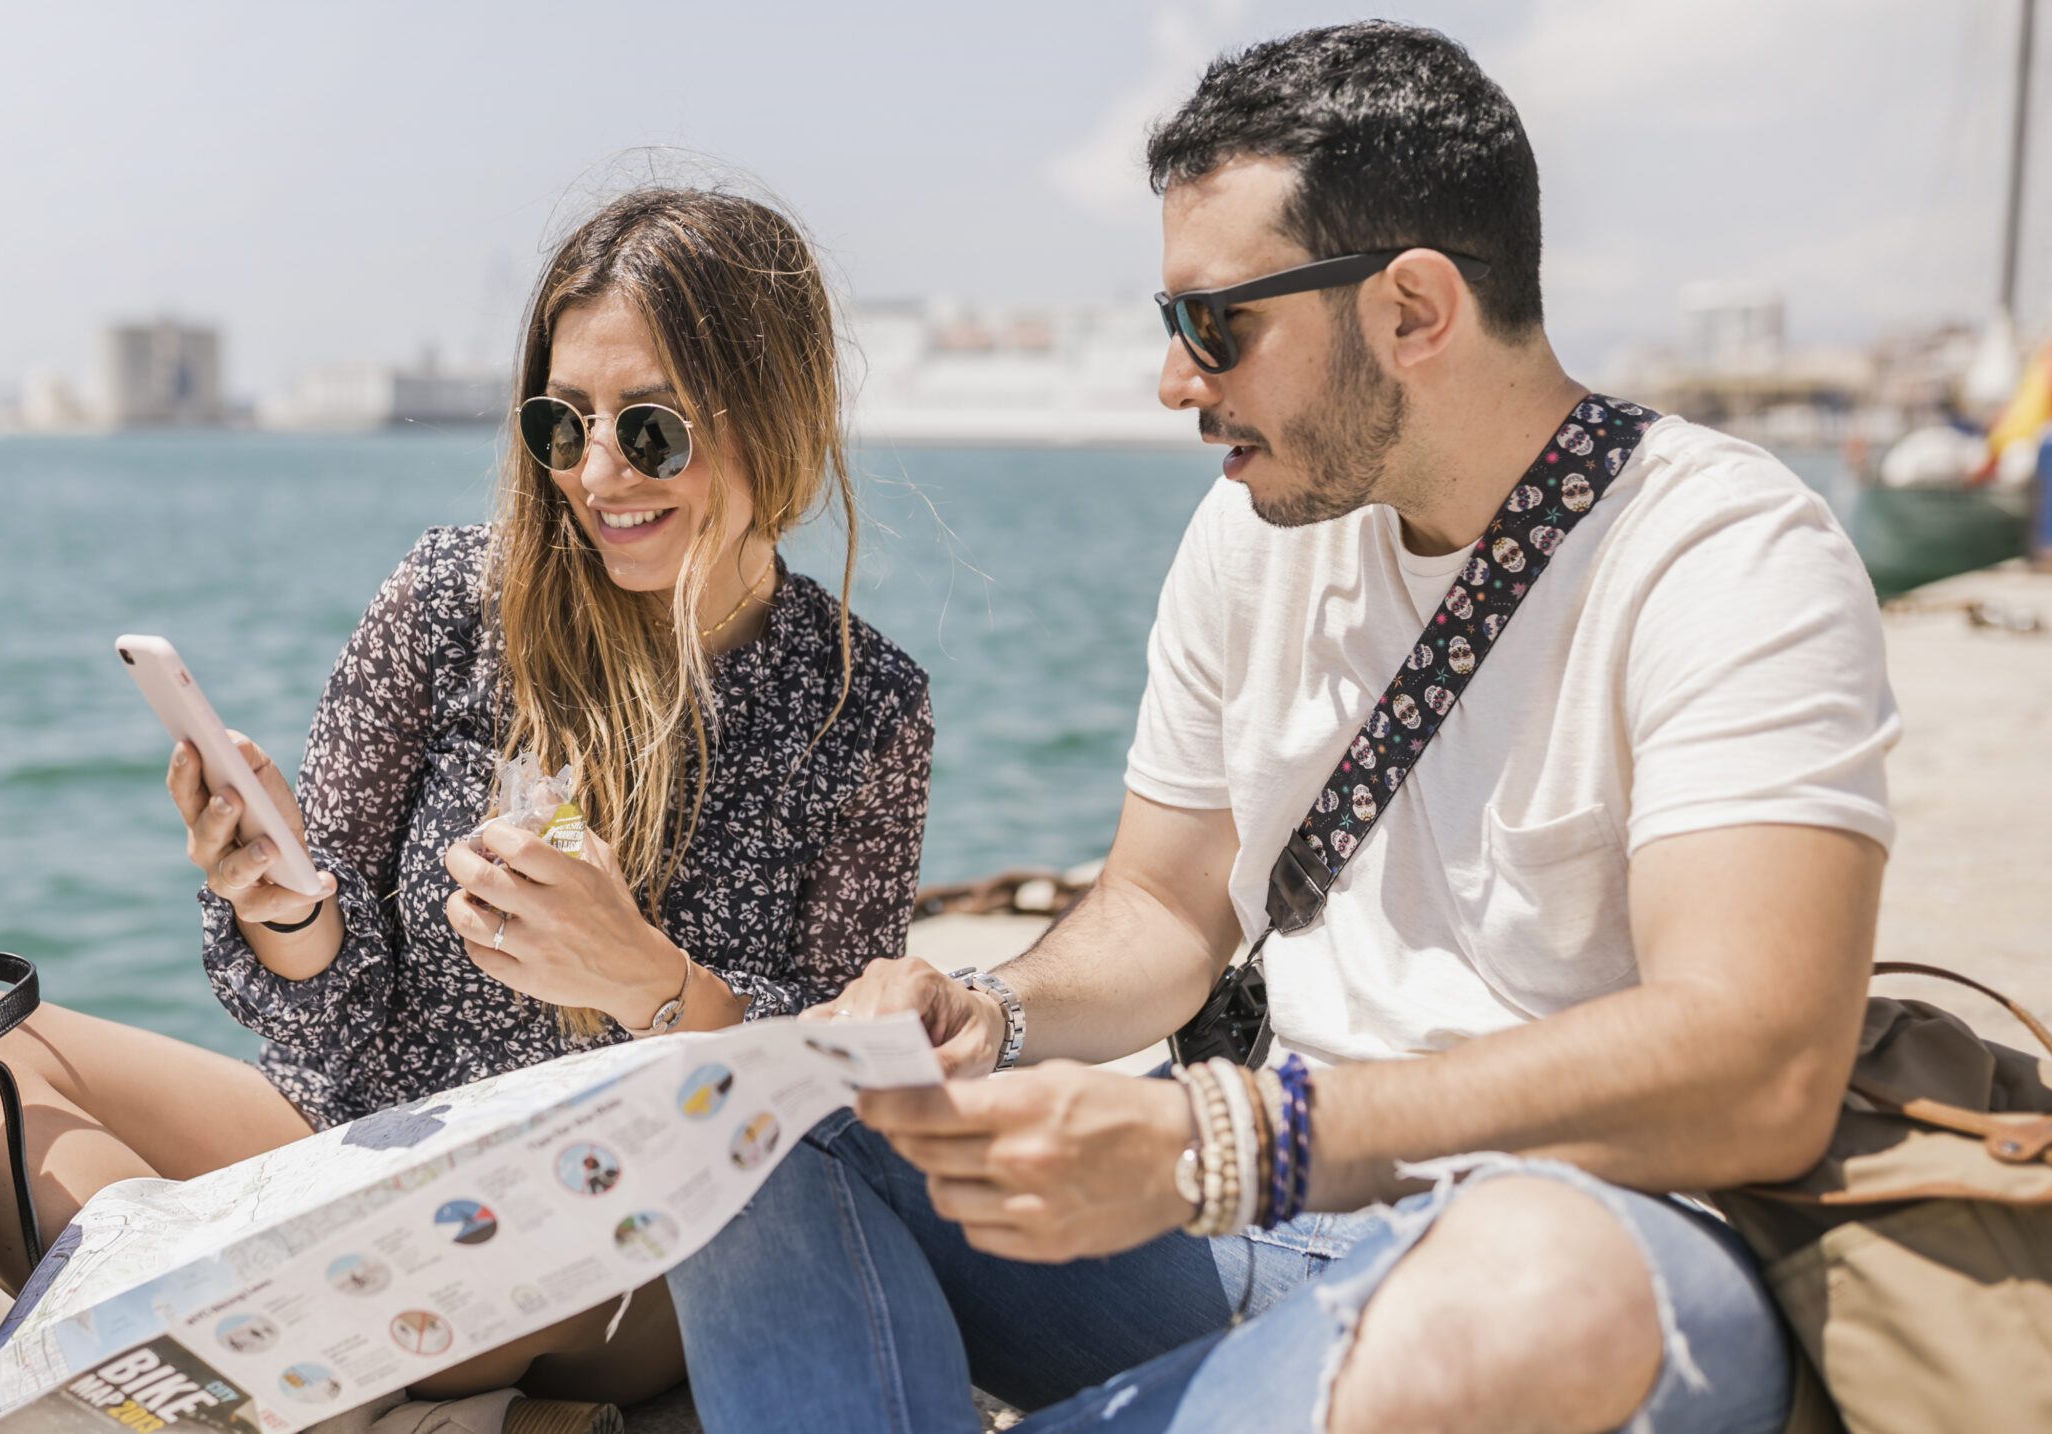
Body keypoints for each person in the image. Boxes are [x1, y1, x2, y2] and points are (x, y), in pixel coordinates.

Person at [665, 23, 1897, 1434]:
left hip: (1570, 1234)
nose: (1177, 382)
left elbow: (1762, 1063)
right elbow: (1164, 905)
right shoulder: (1254, 537)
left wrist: (1240, 1135)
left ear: (1414, 309)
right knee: (753, 1119)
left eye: (1215, 324)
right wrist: (993, 1013)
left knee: (1536, 1286)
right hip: (1249, 1227)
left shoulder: (1723, 553)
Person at [0, 187, 933, 1425]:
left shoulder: (861, 704)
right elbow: (333, 1026)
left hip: (616, 1224)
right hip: (361, 1148)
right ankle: (244, 1354)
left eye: (652, 433)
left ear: (777, 416)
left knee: (464, 1252)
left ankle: (212, 1364)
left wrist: (646, 983)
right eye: (561, 425)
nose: (598, 473)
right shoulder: (451, 601)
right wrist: (284, 907)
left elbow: (838, 1091)